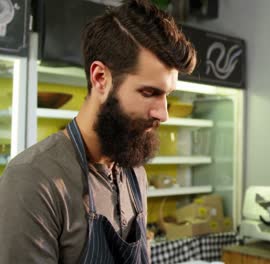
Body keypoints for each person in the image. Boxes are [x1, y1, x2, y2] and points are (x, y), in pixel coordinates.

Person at [0, 0, 196, 263]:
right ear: (100, 78)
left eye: (167, 95)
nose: (163, 113)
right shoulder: (34, 180)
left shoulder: (134, 172)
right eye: (149, 92)